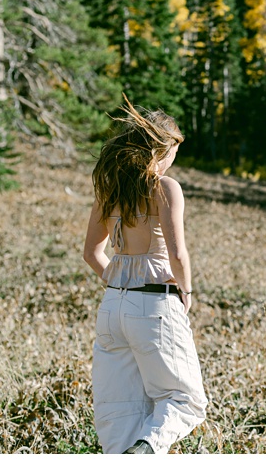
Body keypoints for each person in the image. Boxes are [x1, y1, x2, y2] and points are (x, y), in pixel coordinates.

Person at [83, 96, 207, 453]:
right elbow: (177, 254)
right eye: (172, 153)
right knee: (185, 400)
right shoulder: (165, 188)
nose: (171, 162)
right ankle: (147, 448)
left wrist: (122, 287)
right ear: (159, 150)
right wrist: (186, 293)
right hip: (154, 302)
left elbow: (92, 254)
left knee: (120, 414)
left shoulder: (108, 190)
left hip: (112, 308)